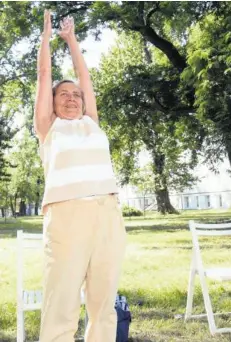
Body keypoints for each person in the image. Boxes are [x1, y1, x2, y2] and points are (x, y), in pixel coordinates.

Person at [35, 10, 127, 342]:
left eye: (76, 95)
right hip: (66, 216)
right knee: (61, 302)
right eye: (64, 95)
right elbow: (44, 74)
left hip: (107, 214)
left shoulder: (92, 123)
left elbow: (85, 79)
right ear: (53, 103)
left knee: (104, 306)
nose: (72, 98)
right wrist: (47, 39)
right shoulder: (49, 128)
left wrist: (72, 41)